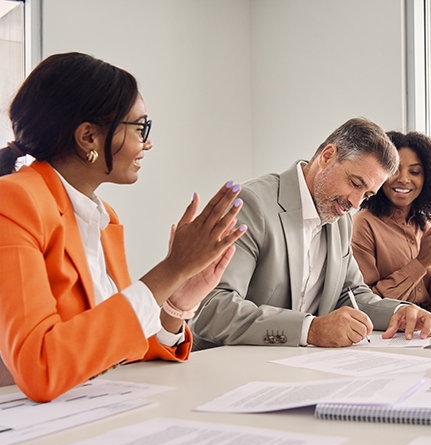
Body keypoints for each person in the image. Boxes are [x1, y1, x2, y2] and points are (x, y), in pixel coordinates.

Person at [0, 52, 247, 402]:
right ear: (88, 137)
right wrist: (171, 269)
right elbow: (40, 366)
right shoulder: (13, 201)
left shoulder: (103, 216)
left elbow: (116, 344)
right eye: (140, 128)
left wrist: (176, 301)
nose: (148, 143)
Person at [189, 118, 431, 348]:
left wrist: (399, 312)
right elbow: (211, 309)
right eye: (355, 183)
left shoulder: (340, 220)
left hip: (299, 367)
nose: (355, 203)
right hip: (229, 367)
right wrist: (309, 330)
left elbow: (351, 295)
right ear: (327, 156)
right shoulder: (252, 204)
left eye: (366, 195)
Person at [351, 131, 431, 313]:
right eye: (394, 170)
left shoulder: (426, 226)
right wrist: (422, 261)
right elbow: (365, 304)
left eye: (414, 172)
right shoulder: (363, 224)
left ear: (428, 179)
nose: (404, 179)